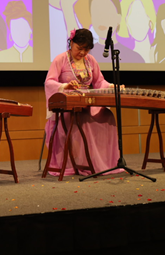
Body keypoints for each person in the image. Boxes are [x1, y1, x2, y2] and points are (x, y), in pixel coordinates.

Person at [44, 28, 120, 175]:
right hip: (68, 106)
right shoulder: (61, 59)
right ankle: (84, 163)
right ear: (71, 43)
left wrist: (112, 86)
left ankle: (102, 163)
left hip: (87, 103)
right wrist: (65, 86)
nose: (83, 53)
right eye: (79, 48)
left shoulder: (90, 61)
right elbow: (49, 82)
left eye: (86, 50)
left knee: (107, 116)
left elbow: (99, 81)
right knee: (85, 121)